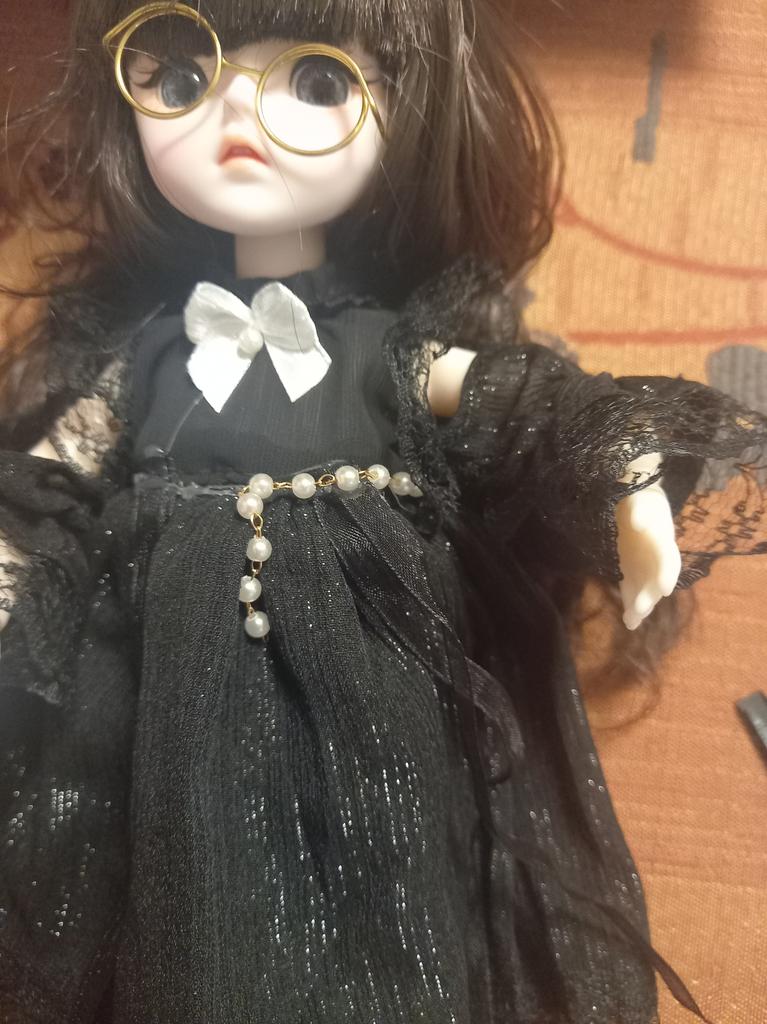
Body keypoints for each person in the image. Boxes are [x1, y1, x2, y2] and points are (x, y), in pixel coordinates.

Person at [0, 2, 764, 1022]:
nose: (236, 111)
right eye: (182, 77)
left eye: (315, 82)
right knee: (193, 921)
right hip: (175, 703)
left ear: (409, 114)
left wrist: (618, 473)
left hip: (367, 677)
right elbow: (50, 484)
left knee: (392, 896)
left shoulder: (380, 350)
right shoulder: (148, 357)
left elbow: (511, 402)